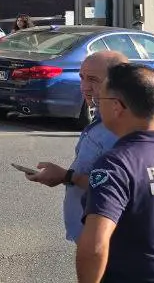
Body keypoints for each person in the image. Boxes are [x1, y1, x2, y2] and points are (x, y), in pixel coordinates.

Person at [25, 51, 129, 242]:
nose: (84, 87)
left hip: (107, 242)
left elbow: (117, 186)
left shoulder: (122, 127)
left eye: (93, 80)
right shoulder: (102, 119)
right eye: (82, 77)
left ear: (119, 84)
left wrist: (67, 176)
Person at [75, 63, 154, 283]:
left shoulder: (115, 164)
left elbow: (95, 246)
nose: (96, 105)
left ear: (116, 106)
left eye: (100, 99)